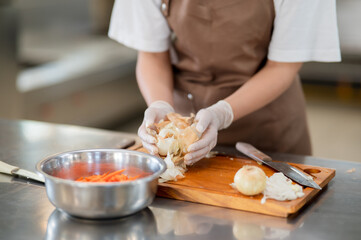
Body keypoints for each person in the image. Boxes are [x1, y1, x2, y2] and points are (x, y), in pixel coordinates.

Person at [108, 0, 341, 165]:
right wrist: (161, 105)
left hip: (267, 131)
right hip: (184, 133)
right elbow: (152, 54)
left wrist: (223, 113)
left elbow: (283, 66)